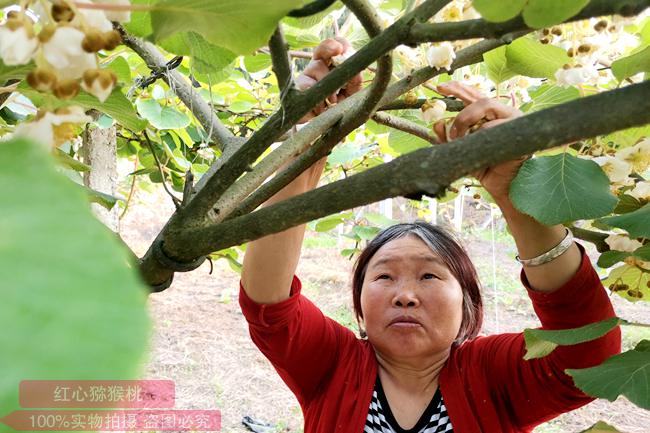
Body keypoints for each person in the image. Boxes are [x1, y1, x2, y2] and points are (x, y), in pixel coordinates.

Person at [238, 38, 621, 433]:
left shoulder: (494, 374)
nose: (405, 294)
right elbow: (269, 307)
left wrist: (514, 192)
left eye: (429, 275)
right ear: (359, 306)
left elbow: (589, 353)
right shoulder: (333, 362)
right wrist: (308, 142)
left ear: (467, 302)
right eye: (384, 276)